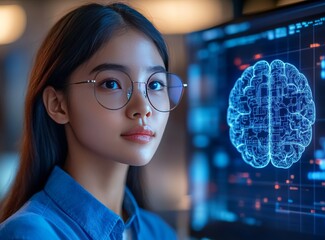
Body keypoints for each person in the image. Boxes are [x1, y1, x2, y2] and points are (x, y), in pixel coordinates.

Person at [0, 2, 186, 239]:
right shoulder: (32, 233)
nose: (143, 108)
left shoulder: (158, 232)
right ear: (58, 105)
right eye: (111, 84)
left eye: (155, 84)